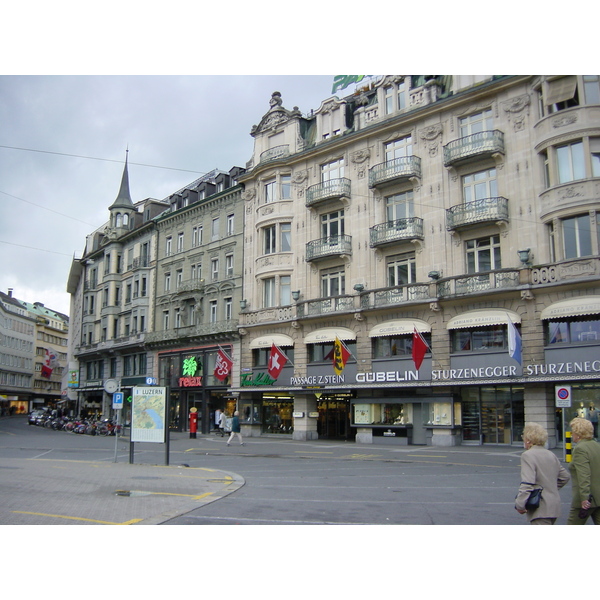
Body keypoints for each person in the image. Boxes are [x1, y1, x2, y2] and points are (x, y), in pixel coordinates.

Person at [515, 422, 570, 524]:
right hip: (553, 505)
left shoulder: (528, 455)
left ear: (528, 439)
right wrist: (551, 488)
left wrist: (520, 503)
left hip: (540, 506)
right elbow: (565, 476)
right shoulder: (550, 454)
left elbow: (528, 482)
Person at [567, 417, 600, 525]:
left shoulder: (580, 449)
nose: (571, 434)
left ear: (578, 433)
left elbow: (583, 474)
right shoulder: (596, 445)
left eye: (572, 431)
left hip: (587, 499)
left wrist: (584, 497)